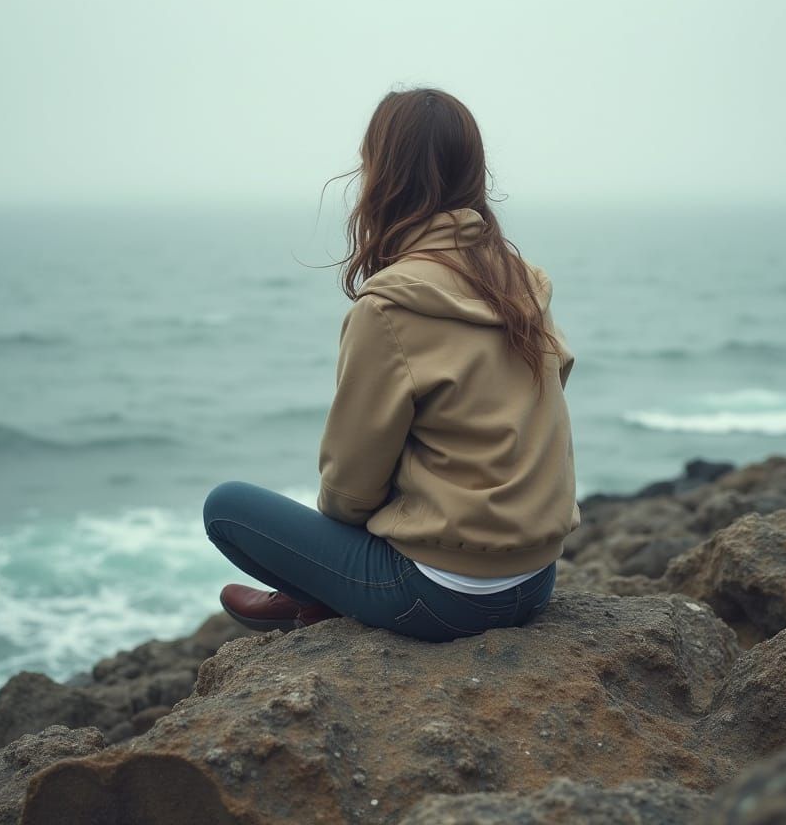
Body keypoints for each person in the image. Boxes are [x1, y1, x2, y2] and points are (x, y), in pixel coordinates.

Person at [203, 87, 580, 642]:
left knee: (227, 508)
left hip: (442, 598)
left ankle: (317, 597)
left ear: (383, 178)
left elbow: (350, 493)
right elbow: (546, 389)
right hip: (535, 578)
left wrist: (333, 564)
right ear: (473, 173)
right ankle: (320, 595)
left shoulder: (389, 307)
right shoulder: (523, 282)